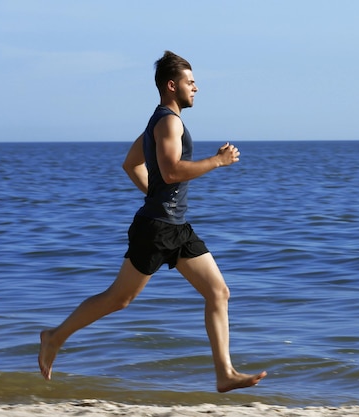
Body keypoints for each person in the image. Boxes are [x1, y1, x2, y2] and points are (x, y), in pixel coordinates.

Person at [38, 50, 267, 393]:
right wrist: (217, 162)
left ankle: (224, 373)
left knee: (218, 292)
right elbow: (172, 170)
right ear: (172, 86)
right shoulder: (168, 122)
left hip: (175, 227)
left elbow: (131, 164)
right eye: (191, 82)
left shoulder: (157, 123)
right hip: (157, 229)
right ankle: (54, 337)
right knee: (119, 298)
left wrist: (156, 196)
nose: (197, 88)